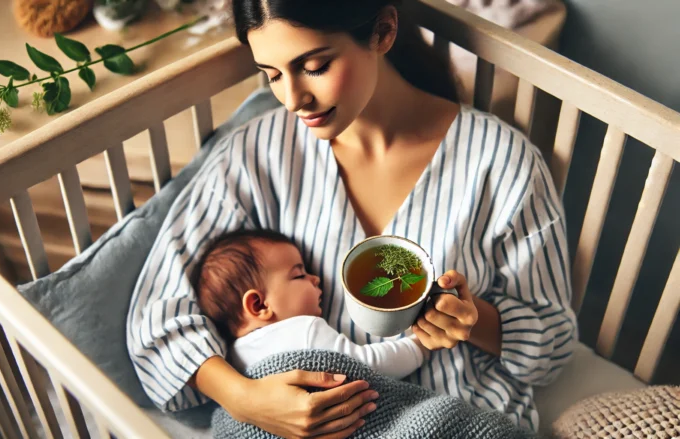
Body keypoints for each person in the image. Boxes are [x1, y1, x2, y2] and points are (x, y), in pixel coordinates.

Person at [127, 0, 577, 437]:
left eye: (315, 67)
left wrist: (472, 320)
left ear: (383, 32)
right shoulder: (256, 156)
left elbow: (553, 342)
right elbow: (157, 318)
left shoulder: (501, 162)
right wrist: (244, 398)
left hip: (458, 417)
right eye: (273, 75)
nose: (293, 99)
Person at [192, 228, 427, 379]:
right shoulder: (304, 329)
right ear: (259, 305)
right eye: (299, 275)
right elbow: (369, 366)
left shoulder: (230, 360)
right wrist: (421, 345)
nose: (315, 279)